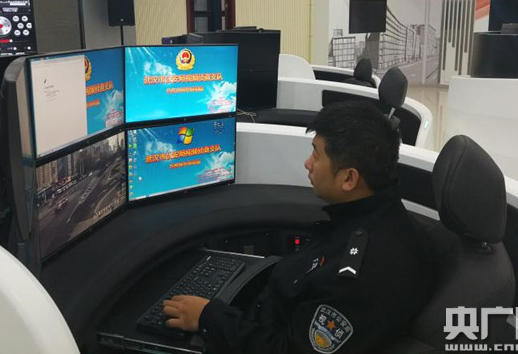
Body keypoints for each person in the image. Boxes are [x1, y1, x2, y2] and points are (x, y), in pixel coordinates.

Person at [163, 101, 435, 353]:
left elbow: (289, 350)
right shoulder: (389, 220)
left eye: (316, 154)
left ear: (349, 179)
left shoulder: (354, 280)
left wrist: (209, 318)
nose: (308, 163)